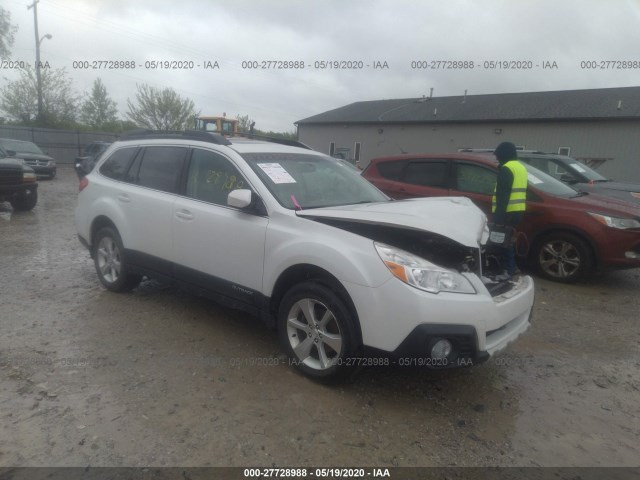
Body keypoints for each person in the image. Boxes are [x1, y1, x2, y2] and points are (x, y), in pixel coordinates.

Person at [491, 141, 528, 277]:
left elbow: (502, 196)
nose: (497, 159)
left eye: (498, 156)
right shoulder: (520, 167)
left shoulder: (506, 169)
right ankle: (512, 267)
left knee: (502, 242)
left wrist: (498, 219)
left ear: (503, 155)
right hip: (517, 211)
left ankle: (508, 270)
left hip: (506, 212)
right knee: (509, 241)